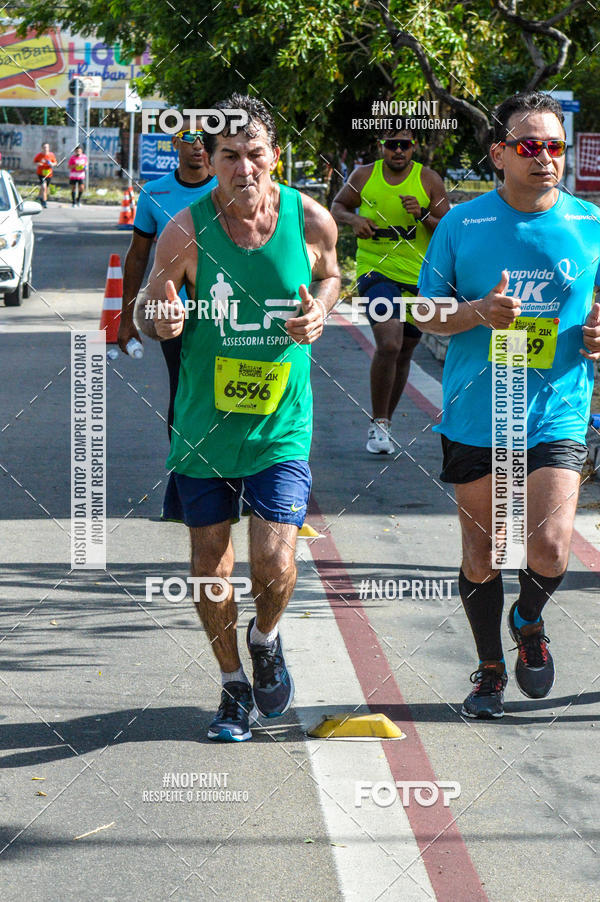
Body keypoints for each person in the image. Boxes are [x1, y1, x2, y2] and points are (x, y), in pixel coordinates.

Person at [136, 94, 340, 742]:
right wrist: (158, 316)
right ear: (211, 159)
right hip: (205, 421)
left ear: (275, 156)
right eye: (229, 156)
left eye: (255, 154)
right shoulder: (185, 230)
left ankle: (266, 636)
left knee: (275, 563)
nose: (243, 169)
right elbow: (148, 303)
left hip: (282, 420)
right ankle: (231, 686)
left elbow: (333, 275)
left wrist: (321, 311)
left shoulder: (309, 220)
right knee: (209, 564)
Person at [417, 91, 600, 719]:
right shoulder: (461, 224)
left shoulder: (590, 223)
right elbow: (422, 311)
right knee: (485, 550)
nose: (545, 158)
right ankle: (490, 669)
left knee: (549, 548)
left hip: (557, 407)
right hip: (478, 410)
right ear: (499, 153)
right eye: (529, 146)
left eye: (555, 146)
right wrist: (477, 314)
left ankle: (528, 619)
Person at [331, 123, 450, 453]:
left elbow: (447, 229)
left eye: (405, 146)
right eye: (392, 145)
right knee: (389, 343)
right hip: (375, 274)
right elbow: (337, 207)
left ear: (414, 148)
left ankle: (386, 422)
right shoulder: (364, 176)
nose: (398, 151)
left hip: (417, 278)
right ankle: (378, 424)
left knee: (406, 349)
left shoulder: (429, 180)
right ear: (381, 146)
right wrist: (355, 221)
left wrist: (423, 214)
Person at [117, 118, 217, 435]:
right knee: (183, 389)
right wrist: (126, 317)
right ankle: (183, 471)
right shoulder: (154, 192)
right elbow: (137, 256)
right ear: (175, 143)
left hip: (226, 310)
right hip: (174, 311)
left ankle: (227, 473)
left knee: (224, 394)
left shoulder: (227, 188)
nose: (198, 143)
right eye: (189, 136)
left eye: (204, 137)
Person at [33, 142, 57, 208]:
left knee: (44, 188)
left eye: (47, 147)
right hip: (41, 173)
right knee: (44, 187)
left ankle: (39, 197)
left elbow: (55, 163)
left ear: (48, 148)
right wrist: (38, 164)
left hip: (49, 174)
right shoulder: (39, 155)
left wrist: (52, 164)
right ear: (42, 148)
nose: (45, 149)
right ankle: (44, 202)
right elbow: (35, 162)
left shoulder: (51, 155)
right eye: (44, 147)